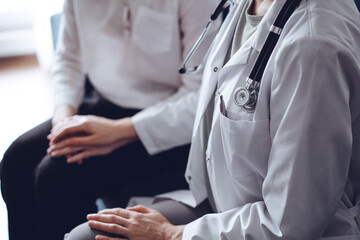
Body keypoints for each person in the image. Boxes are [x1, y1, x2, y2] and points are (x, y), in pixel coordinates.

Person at [64, 0, 360, 239]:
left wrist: (171, 235)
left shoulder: (313, 47)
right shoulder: (249, 5)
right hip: (221, 205)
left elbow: (291, 223)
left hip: (262, 227)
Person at [0, 0, 219, 239]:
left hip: (169, 121)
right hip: (106, 103)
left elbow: (200, 96)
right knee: (16, 160)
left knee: (57, 177)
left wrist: (120, 130)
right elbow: (68, 60)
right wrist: (62, 124)